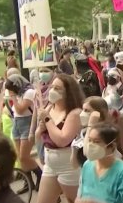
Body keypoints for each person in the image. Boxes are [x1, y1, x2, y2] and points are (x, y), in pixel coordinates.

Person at [35, 74, 85, 203]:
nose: (52, 91)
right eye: (52, 87)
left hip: (68, 165)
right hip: (50, 164)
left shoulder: (75, 113)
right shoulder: (50, 107)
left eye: (57, 88)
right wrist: (40, 129)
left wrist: (47, 119)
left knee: (74, 200)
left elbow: (62, 140)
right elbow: (39, 136)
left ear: (68, 93)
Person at [76, 123, 123, 203]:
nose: (90, 145)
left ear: (112, 146)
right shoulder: (87, 165)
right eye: (89, 140)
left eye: (96, 141)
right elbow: (80, 194)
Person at [4, 74, 42, 194]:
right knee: (20, 158)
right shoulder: (18, 93)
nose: (10, 91)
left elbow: (21, 109)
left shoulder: (29, 92)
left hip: (27, 123)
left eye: (11, 88)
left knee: (24, 156)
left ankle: (40, 176)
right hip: (17, 123)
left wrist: (13, 97)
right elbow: (14, 110)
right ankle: (28, 182)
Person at [71, 96, 110, 168]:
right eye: (82, 110)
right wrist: (75, 146)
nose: (82, 114)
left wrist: (91, 125)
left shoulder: (107, 132)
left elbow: (88, 154)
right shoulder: (83, 132)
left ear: (99, 114)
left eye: (87, 110)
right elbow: (75, 165)